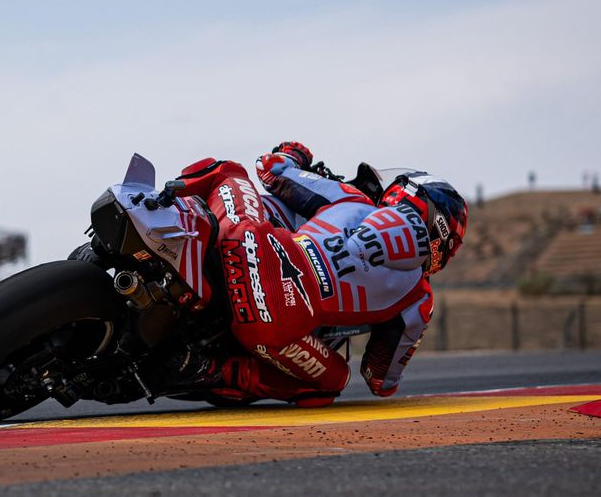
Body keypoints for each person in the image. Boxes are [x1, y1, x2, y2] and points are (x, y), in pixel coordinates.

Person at [170, 142, 468, 406]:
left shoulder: (353, 199)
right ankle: (214, 370)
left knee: (228, 172)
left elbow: (269, 169)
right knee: (331, 383)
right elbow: (379, 379)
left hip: (245, 245)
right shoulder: (420, 299)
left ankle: (163, 202)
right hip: (272, 328)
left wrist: (294, 155)